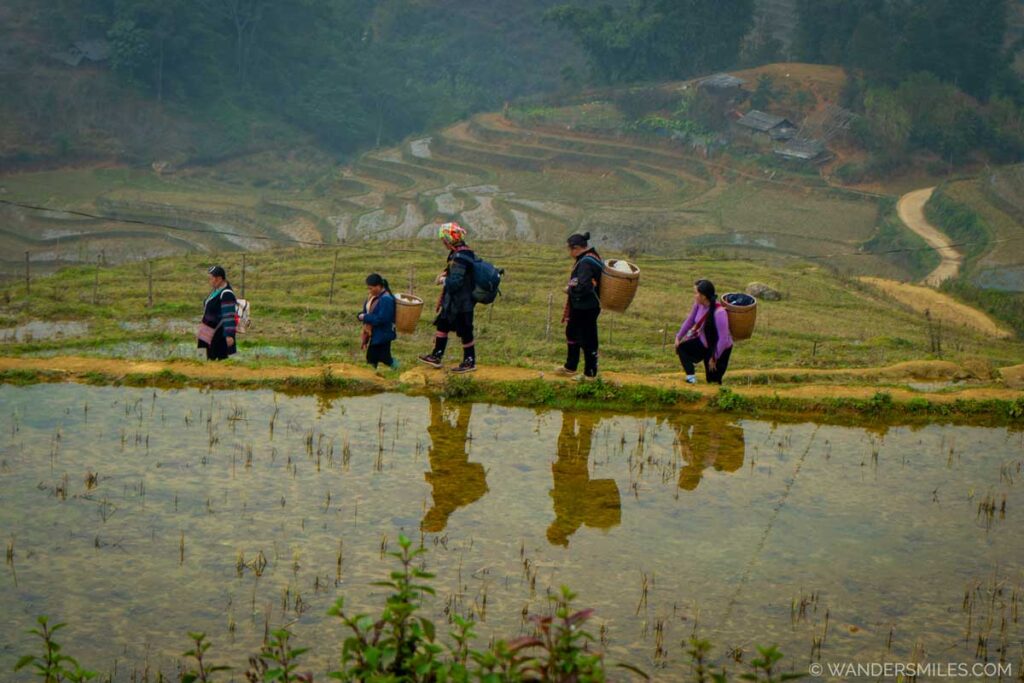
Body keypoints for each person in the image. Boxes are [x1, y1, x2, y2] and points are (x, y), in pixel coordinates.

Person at [418, 222, 478, 373]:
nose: (443, 243)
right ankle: (436, 355)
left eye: (444, 239)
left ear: (449, 238)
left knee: (465, 330)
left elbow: (456, 282)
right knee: (443, 324)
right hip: (453, 302)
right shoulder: (460, 252)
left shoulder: (461, 256)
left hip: (462, 302)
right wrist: (446, 273)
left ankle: (469, 361)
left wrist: (443, 280)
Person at [555, 232, 603, 379]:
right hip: (585, 306)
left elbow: (584, 286)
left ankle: (590, 373)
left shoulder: (586, 263)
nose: (569, 253)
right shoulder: (592, 257)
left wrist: (569, 290)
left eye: (570, 249)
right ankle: (570, 366)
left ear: (576, 248)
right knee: (572, 332)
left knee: (587, 338)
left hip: (585, 307)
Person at [674, 279, 733, 384]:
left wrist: (714, 357)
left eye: (696, 293)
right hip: (704, 343)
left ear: (703, 296)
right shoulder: (698, 305)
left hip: (719, 349)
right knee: (682, 348)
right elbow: (690, 320)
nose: (694, 295)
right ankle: (691, 378)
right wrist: (678, 336)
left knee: (713, 381)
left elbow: (723, 339)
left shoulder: (720, 313)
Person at [357, 273, 398, 371]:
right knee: (383, 357)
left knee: (373, 358)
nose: (369, 291)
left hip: (383, 333)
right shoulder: (374, 297)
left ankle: (371, 376)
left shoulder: (386, 299)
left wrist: (365, 317)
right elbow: (367, 310)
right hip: (377, 333)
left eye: (371, 288)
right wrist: (362, 315)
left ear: (379, 286)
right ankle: (397, 368)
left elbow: (382, 319)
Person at [198, 265, 237, 361]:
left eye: (211, 278)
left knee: (218, 362)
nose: (209, 281)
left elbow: (229, 316)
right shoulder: (216, 291)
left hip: (219, 334)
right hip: (208, 331)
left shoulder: (226, 294)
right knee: (206, 360)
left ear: (219, 279)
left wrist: (229, 335)